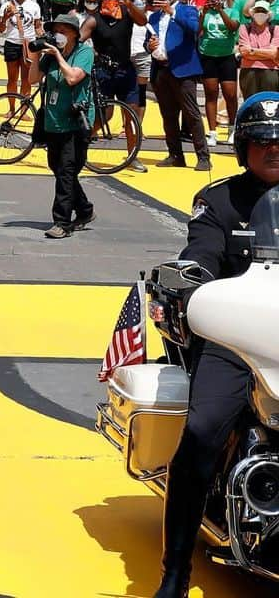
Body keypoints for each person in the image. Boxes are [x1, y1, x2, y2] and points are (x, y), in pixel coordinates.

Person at [151, 92, 279, 598]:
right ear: (243, 147)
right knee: (202, 434)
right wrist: (196, 281)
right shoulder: (219, 201)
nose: (275, 150)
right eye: (265, 142)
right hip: (236, 334)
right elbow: (200, 253)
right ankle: (175, 574)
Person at [78, 0, 149, 173]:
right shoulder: (95, 19)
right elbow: (78, 39)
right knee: (105, 115)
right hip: (104, 72)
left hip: (126, 70)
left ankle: (133, 155)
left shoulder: (127, 14)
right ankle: (79, 145)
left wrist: (129, 2)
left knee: (132, 116)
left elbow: (143, 21)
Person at [36, 12, 95, 239]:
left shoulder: (84, 52)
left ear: (74, 34)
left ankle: (62, 222)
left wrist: (58, 57)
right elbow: (33, 78)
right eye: (56, 30)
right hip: (53, 120)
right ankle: (84, 209)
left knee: (67, 171)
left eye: (63, 31)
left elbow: (72, 78)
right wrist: (35, 55)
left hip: (74, 121)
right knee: (57, 168)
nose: (58, 35)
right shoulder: (51, 54)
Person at [146, 0, 210, 171]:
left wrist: (172, 12)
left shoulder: (186, 10)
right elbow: (149, 41)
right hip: (161, 69)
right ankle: (175, 155)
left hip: (183, 70)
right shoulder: (154, 17)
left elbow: (194, 29)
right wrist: (149, 47)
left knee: (191, 114)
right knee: (168, 115)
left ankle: (203, 157)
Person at [198, 0, 240, 148]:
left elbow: (233, 27)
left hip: (226, 56)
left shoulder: (231, 10)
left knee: (230, 95)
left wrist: (220, 10)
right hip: (208, 56)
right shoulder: (205, 11)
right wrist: (204, 12)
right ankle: (212, 132)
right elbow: (198, 30)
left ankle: (231, 129)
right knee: (211, 94)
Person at [0, 0, 42, 115]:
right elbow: (1, 29)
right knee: (12, 78)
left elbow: (37, 26)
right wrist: (5, 18)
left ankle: (24, 109)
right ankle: (11, 108)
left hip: (28, 44)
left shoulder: (34, 6)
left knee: (26, 79)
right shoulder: (6, 5)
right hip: (12, 43)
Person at [236, 0, 279, 98]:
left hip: (271, 71)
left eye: (263, 11)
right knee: (251, 102)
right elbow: (244, 52)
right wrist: (267, 53)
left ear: (268, 15)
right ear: (252, 13)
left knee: (269, 103)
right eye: (257, 10)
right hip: (248, 71)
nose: (260, 13)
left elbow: (274, 53)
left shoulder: (275, 29)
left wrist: (252, 51)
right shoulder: (244, 28)